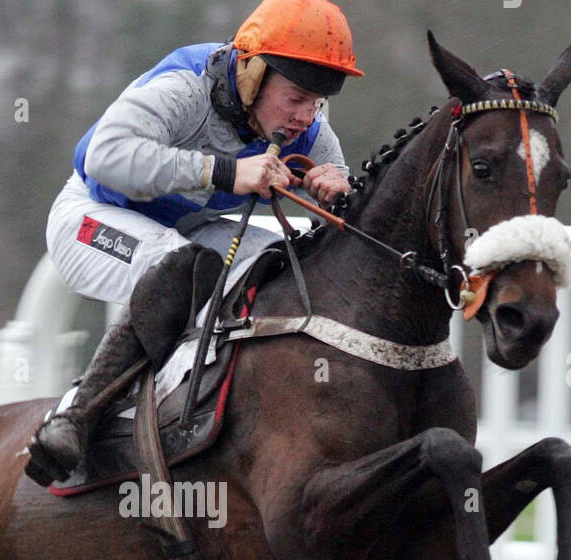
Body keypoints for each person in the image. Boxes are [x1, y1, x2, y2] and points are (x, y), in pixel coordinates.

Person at [25, 0, 362, 486]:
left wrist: (337, 190)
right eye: (296, 98)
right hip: (91, 218)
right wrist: (225, 171)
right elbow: (103, 156)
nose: (305, 117)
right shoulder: (184, 90)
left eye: (318, 103)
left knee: (272, 263)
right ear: (252, 71)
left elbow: (342, 199)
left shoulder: (308, 130)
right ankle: (75, 417)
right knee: (180, 264)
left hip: (184, 226)